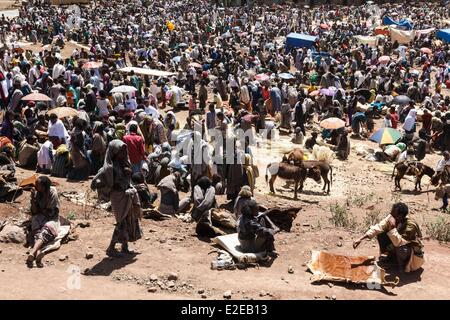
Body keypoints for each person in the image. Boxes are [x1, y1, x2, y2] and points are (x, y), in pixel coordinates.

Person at [91, 139, 142, 257]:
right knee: (121, 222)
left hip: (127, 194)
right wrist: (110, 185)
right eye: (122, 151)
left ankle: (124, 247)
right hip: (117, 196)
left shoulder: (125, 162)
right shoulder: (109, 167)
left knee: (129, 219)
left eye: (125, 150)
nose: (124, 153)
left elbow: (128, 178)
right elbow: (96, 181)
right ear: (114, 152)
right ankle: (111, 248)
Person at [353, 202, 424, 273]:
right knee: (381, 234)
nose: (391, 216)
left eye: (393, 214)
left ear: (400, 216)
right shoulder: (393, 217)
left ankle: (402, 266)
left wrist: (392, 228)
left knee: (401, 248)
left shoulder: (410, 225)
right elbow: (379, 227)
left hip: (411, 255)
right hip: (398, 246)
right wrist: (361, 238)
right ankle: (391, 258)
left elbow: (399, 243)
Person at [26, 175, 60, 268]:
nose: (35, 186)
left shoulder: (53, 193)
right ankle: (37, 253)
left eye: (38, 184)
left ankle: (33, 252)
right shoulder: (37, 193)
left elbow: (51, 213)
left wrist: (40, 210)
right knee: (37, 229)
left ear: (44, 186)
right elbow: (34, 211)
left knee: (46, 229)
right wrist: (33, 199)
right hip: (40, 216)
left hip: (51, 218)